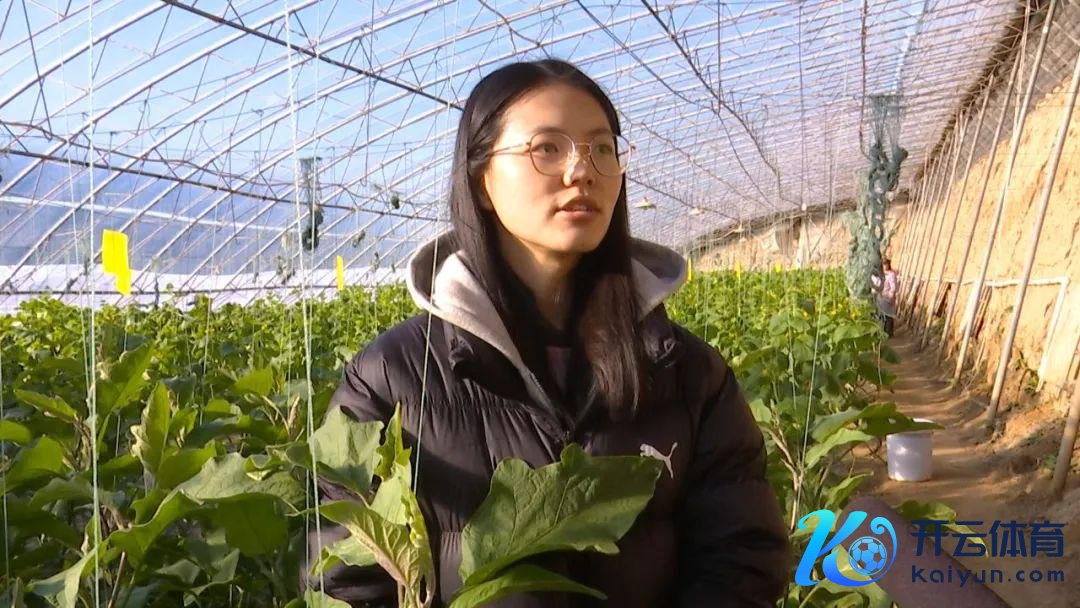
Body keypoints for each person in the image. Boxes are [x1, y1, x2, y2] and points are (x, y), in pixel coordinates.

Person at [309, 59, 789, 607]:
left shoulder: (688, 372)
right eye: (547, 148)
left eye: (602, 148)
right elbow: (346, 583)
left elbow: (741, 557)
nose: (581, 170)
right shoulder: (390, 379)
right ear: (481, 181)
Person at [875, 258, 898, 337]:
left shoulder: (891, 274)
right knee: (881, 315)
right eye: (883, 264)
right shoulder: (880, 274)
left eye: (886, 264)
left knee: (889, 315)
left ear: (888, 265)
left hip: (888, 297)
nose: (884, 266)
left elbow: (893, 286)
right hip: (881, 297)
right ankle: (883, 332)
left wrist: (891, 296)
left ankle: (889, 333)